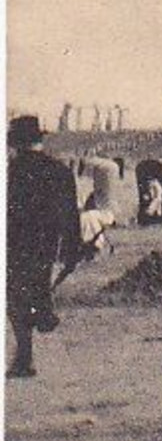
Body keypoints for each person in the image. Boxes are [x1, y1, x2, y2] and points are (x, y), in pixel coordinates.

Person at [6, 116, 81, 378]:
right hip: (46, 244)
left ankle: (25, 354)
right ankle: (42, 310)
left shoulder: (10, 171)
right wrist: (73, 251)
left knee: (14, 297)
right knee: (35, 284)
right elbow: (71, 215)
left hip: (14, 243)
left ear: (15, 142)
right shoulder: (59, 170)